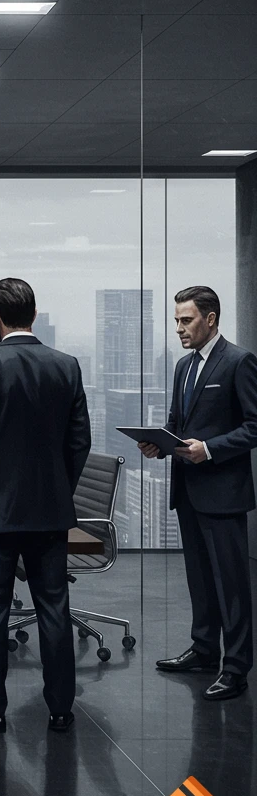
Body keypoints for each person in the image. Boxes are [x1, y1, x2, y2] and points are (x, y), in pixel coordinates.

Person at [0, 277, 91, 734]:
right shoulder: (66, 366)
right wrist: (58, 489)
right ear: (34, 314)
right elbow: (80, 442)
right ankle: (61, 709)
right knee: (54, 607)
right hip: (50, 512)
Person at [139, 286, 257, 701]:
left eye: (186, 320)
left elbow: (254, 426)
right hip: (188, 490)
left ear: (210, 319)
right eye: (176, 321)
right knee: (201, 580)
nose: (179, 328)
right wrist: (159, 445)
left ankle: (236, 668)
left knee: (232, 586)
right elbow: (178, 423)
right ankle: (205, 650)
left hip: (223, 493)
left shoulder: (239, 361)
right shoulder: (183, 366)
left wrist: (209, 449)